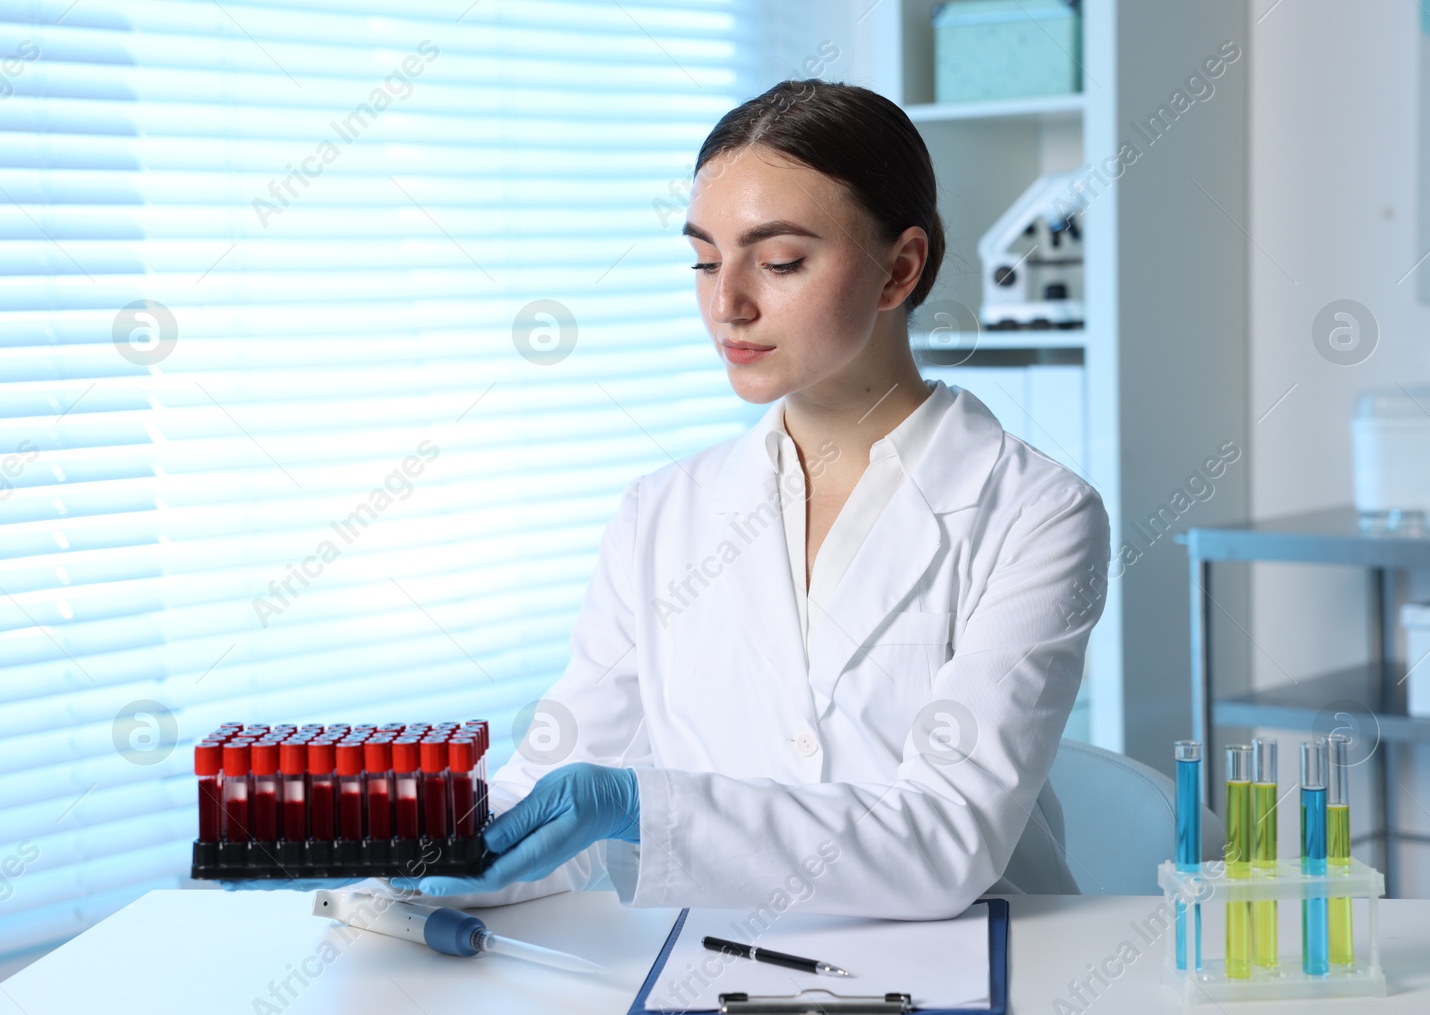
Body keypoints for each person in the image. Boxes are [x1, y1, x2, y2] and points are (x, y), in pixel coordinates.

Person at [243, 78, 1110, 921]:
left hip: (978, 985)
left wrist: (645, 807)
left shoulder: (1037, 514)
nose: (726, 303)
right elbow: (560, 792)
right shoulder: (662, 515)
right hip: (721, 979)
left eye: (779, 261)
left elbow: (944, 841)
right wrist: (403, 853)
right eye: (703, 259)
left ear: (901, 269)